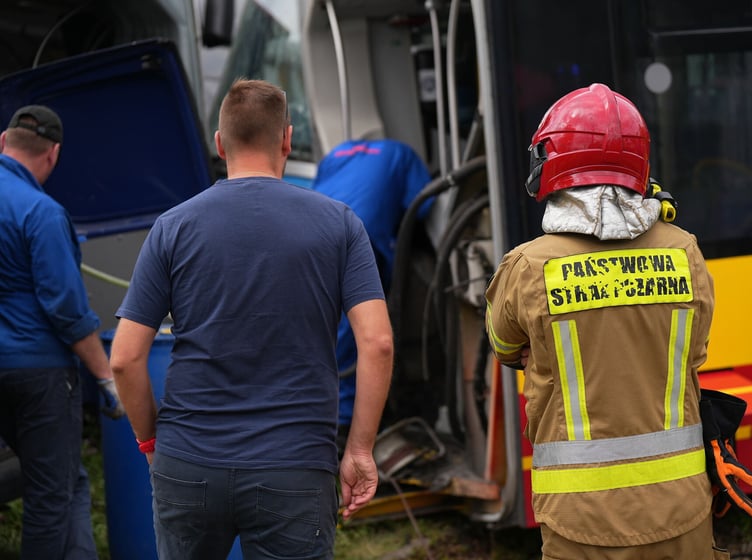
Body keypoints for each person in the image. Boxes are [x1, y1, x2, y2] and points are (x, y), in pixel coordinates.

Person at [109, 79, 393, 560]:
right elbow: (378, 344)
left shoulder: (173, 227)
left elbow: (123, 359)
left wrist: (152, 442)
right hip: (295, 465)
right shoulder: (340, 223)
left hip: (189, 461)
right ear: (286, 138)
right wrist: (360, 450)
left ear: (220, 144)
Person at [484, 83, 752, 560]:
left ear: (552, 164)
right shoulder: (683, 250)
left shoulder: (528, 267)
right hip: (682, 510)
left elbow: (505, 347)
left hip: (578, 519)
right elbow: (694, 353)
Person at [0, 104, 125, 559]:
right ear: (52, 155)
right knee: (49, 496)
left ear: (2, 142)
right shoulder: (41, 212)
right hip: (39, 375)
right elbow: (67, 309)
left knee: (67, 479)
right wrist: (107, 378)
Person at [311, 138, 431, 441]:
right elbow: (423, 204)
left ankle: (317, 416)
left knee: (319, 330)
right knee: (354, 332)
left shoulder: (336, 153)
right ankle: (342, 425)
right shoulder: (402, 152)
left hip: (311, 237)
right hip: (356, 239)